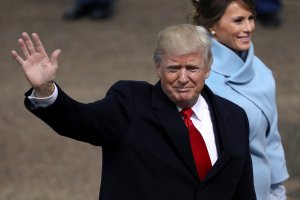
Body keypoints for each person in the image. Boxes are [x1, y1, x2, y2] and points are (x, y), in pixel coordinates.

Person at [11, 24, 256, 199]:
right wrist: (44, 88)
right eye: (173, 68)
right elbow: (81, 120)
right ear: (157, 68)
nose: (183, 78)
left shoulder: (234, 116)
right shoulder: (130, 103)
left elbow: (243, 189)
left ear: (208, 70)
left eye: (192, 68)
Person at [190, 0, 289, 199]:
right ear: (212, 26)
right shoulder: (196, 78)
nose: (249, 28)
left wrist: (277, 191)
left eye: (251, 18)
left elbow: (271, 139)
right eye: (238, 21)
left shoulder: (262, 72)